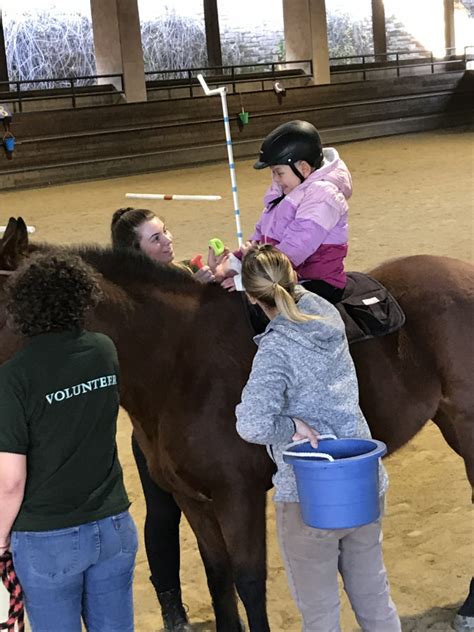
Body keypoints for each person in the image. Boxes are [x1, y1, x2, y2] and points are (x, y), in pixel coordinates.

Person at [235, 244, 401, 632]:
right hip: (363, 480)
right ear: (293, 279)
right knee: (375, 596)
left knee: (321, 613)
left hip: (309, 494)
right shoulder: (327, 314)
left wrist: (291, 426)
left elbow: (252, 424)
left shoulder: (275, 350)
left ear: (251, 297)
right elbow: (292, 288)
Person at [0, 252, 137, 632]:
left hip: (48, 538)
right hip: (113, 526)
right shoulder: (103, 349)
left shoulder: (14, 378)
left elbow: (10, 481)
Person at [111, 206, 214, 632]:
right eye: (156, 239)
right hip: (155, 429)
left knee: (209, 513)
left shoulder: (178, 279)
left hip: (198, 423)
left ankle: (220, 601)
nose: (168, 240)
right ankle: (172, 610)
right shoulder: (127, 303)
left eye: (165, 231)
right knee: (163, 513)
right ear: (135, 253)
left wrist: (204, 287)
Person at [223, 120, 352, 304]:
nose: (275, 179)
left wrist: (250, 279)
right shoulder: (285, 191)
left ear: (304, 169)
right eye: (273, 173)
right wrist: (235, 261)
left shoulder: (323, 196)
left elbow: (294, 250)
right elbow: (261, 233)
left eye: (279, 172)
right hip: (279, 273)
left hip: (318, 283)